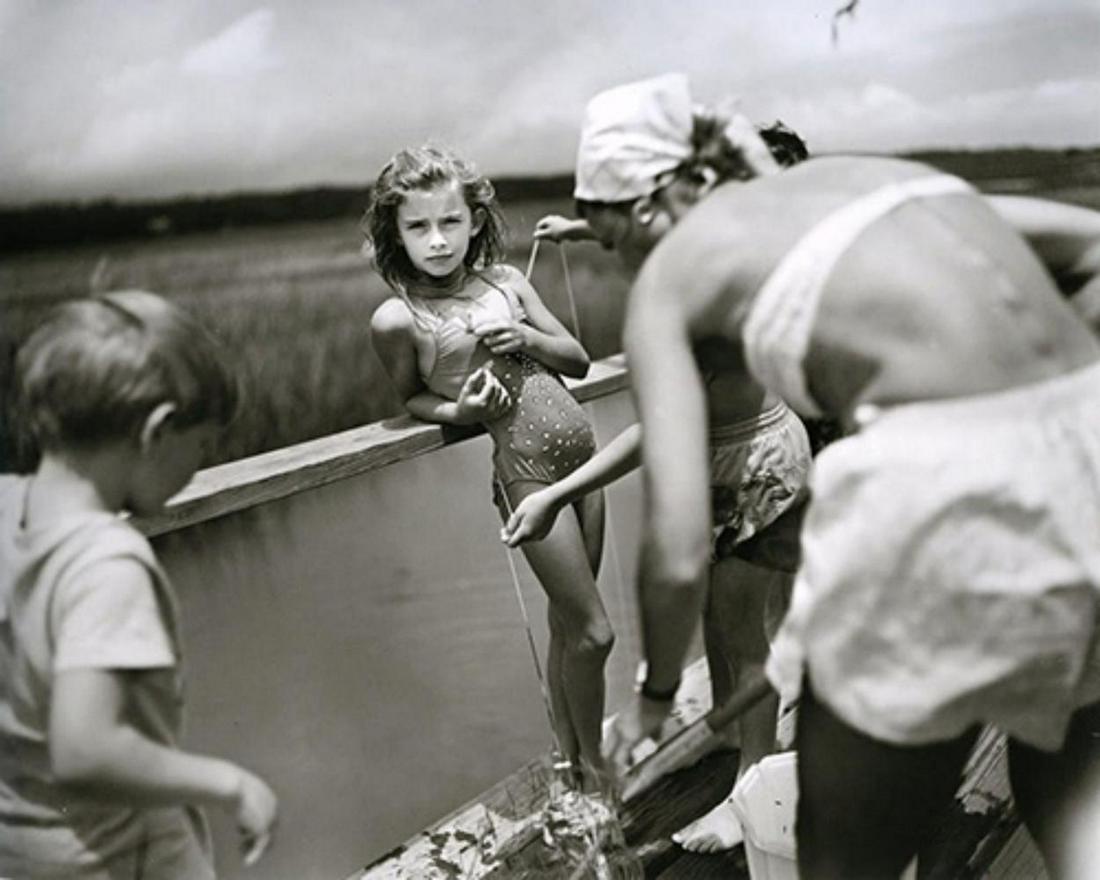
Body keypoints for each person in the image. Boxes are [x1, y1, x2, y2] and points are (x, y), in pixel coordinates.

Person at [586, 74, 1100, 878]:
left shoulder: (671, 279)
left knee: (843, 850)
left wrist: (652, 701)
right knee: (1070, 758)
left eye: (609, 238)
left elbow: (679, 550)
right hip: (1086, 456)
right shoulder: (886, 180)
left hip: (932, 496)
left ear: (646, 207)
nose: (622, 265)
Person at [501, 109, 816, 853]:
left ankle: (750, 792)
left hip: (755, 471)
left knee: (743, 637)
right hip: (723, 463)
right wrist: (580, 230)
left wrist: (554, 493)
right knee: (718, 616)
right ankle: (734, 737)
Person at [0, 291, 279, 879]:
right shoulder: (104, 565)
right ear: (158, 431)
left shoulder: (6, 507)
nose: (198, 465)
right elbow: (87, 749)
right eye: (201, 445)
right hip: (121, 851)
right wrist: (229, 783)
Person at [364, 144, 613, 791]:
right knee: (595, 634)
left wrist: (527, 338)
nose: (437, 240)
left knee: (568, 625)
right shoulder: (399, 317)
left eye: (450, 221)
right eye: (418, 226)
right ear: (395, 233)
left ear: (475, 220)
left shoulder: (506, 282)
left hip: (585, 463)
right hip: (529, 477)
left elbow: (578, 359)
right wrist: (461, 409)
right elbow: (412, 399)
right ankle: (595, 768)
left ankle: (570, 766)